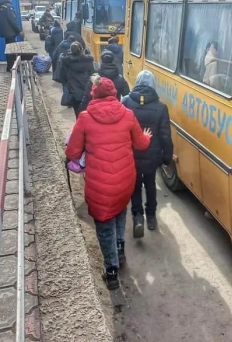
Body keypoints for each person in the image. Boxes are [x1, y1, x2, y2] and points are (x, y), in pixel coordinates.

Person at [65, 75, 152, 290]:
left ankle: (111, 272)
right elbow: (141, 144)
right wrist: (148, 136)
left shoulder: (84, 118)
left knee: (104, 226)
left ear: (94, 93)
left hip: (99, 185)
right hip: (125, 181)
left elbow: (72, 153)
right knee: (120, 212)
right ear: (114, 93)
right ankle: (120, 251)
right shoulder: (128, 114)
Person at [122, 70, 173, 237]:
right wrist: (167, 158)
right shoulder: (161, 107)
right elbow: (165, 135)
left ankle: (138, 217)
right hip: (152, 156)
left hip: (132, 155)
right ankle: (151, 216)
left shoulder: (126, 102)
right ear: (153, 85)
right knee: (150, 184)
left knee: (135, 186)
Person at [60, 42, 96, 118]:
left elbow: (63, 77)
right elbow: (92, 74)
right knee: (89, 113)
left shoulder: (67, 62)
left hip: (74, 92)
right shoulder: (88, 60)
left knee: (78, 113)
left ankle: (80, 126)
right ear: (81, 50)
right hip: (87, 90)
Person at [0, 0, 23, 72]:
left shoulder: (0, 6)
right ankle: (13, 68)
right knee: (12, 50)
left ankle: (9, 67)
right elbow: (12, 21)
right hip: (10, 33)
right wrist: (19, 31)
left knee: (8, 50)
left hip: (5, 32)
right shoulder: (8, 7)